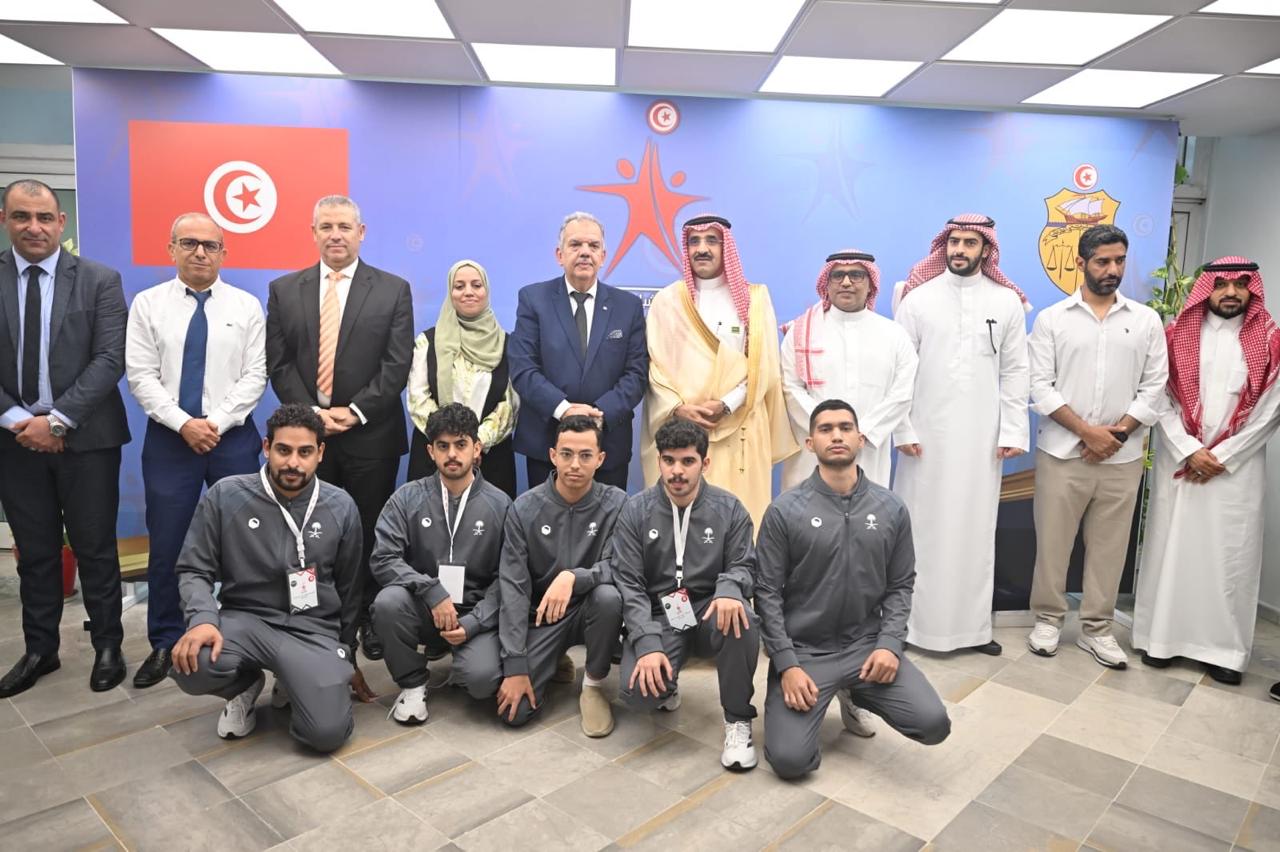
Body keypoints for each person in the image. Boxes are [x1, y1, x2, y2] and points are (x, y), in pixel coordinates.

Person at [757, 400, 950, 779]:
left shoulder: (891, 508)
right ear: (810, 443)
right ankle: (817, 692)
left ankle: (855, 691)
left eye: (845, 428)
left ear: (861, 440)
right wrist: (787, 664)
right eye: (825, 429)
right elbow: (766, 593)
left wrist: (889, 645)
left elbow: (901, 585)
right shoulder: (785, 510)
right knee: (790, 762)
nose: (837, 436)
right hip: (806, 653)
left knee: (933, 725)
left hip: (866, 648)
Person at [170, 404, 375, 752]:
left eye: (304, 452)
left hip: (313, 630)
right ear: (266, 447)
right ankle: (243, 685)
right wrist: (202, 619)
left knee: (326, 735)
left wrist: (347, 655)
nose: (293, 462)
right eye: (283, 450)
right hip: (246, 622)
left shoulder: (341, 506)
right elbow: (194, 568)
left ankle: (295, 679)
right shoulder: (227, 495)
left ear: (320, 453)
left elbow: (350, 589)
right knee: (194, 663)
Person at [265, 195, 414, 660]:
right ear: (313, 233)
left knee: (369, 530)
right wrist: (313, 415)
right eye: (326, 226)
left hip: (371, 435)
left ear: (361, 233)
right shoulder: (284, 290)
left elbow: (397, 363)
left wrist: (356, 412)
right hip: (307, 441)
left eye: (344, 227)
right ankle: (313, 616)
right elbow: (279, 363)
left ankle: (368, 614)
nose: (335, 235)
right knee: (307, 531)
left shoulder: (393, 289)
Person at [0, 179, 131, 698]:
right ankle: (40, 649)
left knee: (95, 548)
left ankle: (108, 646)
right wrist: (21, 421)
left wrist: (56, 422)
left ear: (61, 222)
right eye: (21, 216)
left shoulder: (100, 280)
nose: (33, 226)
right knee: (35, 551)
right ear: (5, 220)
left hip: (88, 440)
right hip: (14, 442)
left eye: (43, 217)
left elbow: (110, 359)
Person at [125, 212, 267, 688]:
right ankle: (165, 640)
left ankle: (239, 633)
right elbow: (141, 375)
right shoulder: (148, 304)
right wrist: (184, 423)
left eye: (210, 245)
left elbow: (255, 375)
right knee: (167, 542)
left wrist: (215, 424)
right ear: (171, 249)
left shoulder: (246, 306)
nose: (200, 252)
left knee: (242, 542)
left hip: (232, 438)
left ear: (224, 253)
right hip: (171, 439)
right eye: (189, 243)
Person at [1026, 225, 1168, 669]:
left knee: (1110, 548)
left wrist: (1115, 435)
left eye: (1119, 261)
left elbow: (1155, 387)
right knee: (1053, 544)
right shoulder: (1052, 319)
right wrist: (1088, 433)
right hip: (1062, 454)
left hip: (1122, 457)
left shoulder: (1145, 320)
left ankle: (1097, 629)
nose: (1112, 270)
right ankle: (1048, 620)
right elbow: (1039, 385)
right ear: (1081, 262)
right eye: (1103, 261)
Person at [1134, 258, 1280, 685]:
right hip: (1180, 463)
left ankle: (1224, 652)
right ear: (1206, 289)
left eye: (1240, 284)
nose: (1231, 292)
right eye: (1221, 284)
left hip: (1236, 471)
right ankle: (1160, 640)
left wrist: (1223, 457)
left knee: (1229, 557)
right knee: (1172, 549)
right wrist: (1189, 450)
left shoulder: (1271, 341)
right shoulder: (1174, 336)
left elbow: (1271, 410)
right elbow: (1159, 398)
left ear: (1253, 290)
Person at [893, 213, 1030, 656]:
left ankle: (973, 631)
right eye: (954, 242)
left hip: (980, 440)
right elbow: (899, 371)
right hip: (924, 439)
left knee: (975, 531)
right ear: (943, 246)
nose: (960, 250)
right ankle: (909, 627)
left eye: (970, 243)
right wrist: (902, 428)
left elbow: (1016, 370)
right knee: (922, 530)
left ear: (986, 249)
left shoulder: (1006, 302)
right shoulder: (918, 299)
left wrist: (1012, 430)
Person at [614, 417, 761, 771]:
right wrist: (648, 644)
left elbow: (745, 564)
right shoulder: (636, 511)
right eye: (669, 460)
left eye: (687, 461)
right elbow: (629, 583)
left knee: (741, 617)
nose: (677, 471)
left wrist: (730, 590)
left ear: (704, 463)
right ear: (659, 460)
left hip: (711, 607)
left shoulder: (729, 508)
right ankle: (669, 681)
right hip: (664, 612)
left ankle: (738, 721)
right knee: (639, 694)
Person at [642, 214, 796, 527]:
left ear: (726, 247)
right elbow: (655, 367)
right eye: (694, 241)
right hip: (682, 428)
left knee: (740, 519)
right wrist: (679, 408)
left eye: (712, 240)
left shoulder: (754, 299)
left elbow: (764, 365)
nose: (702, 248)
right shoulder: (666, 301)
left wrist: (727, 404)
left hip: (741, 424)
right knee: (682, 522)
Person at [371, 403, 513, 723]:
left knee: (481, 682)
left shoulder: (501, 505)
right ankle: (413, 683)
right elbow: (383, 558)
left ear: (476, 449)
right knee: (388, 603)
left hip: (475, 612)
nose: (452, 454)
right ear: (430, 451)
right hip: (425, 607)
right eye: (443, 446)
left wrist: (474, 622)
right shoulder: (406, 498)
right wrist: (430, 590)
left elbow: (509, 578)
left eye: (461, 444)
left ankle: (465, 662)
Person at [496, 415, 626, 736]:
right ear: (553, 456)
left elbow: (621, 566)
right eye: (566, 454)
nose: (575, 464)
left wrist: (574, 578)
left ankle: (593, 686)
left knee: (608, 597)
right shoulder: (524, 509)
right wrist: (515, 664)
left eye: (585, 455)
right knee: (515, 713)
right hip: (543, 617)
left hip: (590, 611)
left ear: (600, 459)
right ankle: (554, 658)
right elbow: (513, 587)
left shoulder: (618, 504)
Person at [508, 212, 647, 490]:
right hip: (546, 444)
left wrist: (599, 413)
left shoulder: (628, 306)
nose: (585, 252)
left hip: (608, 446)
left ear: (603, 256)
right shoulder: (533, 299)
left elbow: (637, 373)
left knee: (608, 520)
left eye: (593, 246)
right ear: (559, 255)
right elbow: (523, 368)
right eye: (575, 244)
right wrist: (564, 410)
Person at [781, 250, 917, 489]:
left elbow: (902, 394)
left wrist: (861, 433)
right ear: (827, 283)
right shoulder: (800, 332)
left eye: (856, 275)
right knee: (808, 509)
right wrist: (826, 430)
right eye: (837, 275)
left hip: (869, 448)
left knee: (868, 509)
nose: (846, 282)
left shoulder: (894, 335)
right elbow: (790, 387)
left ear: (871, 284)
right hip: (813, 451)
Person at [406, 259, 518, 498]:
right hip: (434, 458)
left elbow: (509, 405)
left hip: (489, 458)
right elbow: (418, 399)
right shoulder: (428, 342)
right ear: (450, 293)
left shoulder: (508, 345)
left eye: (476, 285)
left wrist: (477, 442)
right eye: (459, 286)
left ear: (486, 291)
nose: (468, 292)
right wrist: (449, 442)